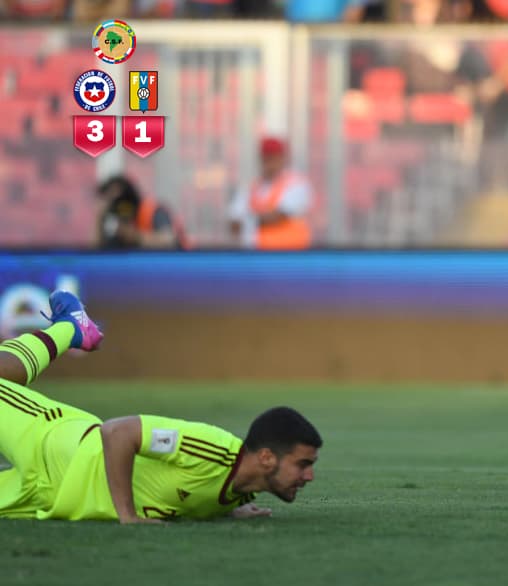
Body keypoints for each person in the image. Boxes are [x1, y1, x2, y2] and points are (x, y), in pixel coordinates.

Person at [0, 291, 323, 522]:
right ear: (266, 457)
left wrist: (227, 509)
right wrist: (127, 516)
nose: (309, 476)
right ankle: (70, 328)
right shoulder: (212, 449)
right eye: (303, 463)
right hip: (57, 448)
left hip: (53, 499)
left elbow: (196, 489)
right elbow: (118, 433)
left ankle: (70, 328)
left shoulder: (241, 489)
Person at [228, 137, 313, 250]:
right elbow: (233, 224)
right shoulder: (250, 188)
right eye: (267, 157)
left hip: (290, 253)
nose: (271, 162)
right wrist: (257, 219)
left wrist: (248, 220)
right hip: (256, 254)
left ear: (283, 158)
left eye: (274, 157)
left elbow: (278, 216)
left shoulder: (296, 184)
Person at [97, 175, 188, 250]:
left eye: (114, 199)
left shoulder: (151, 211)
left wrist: (136, 237)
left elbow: (169, 240)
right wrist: (99, 219)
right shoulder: (116, 218)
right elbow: (99, 247)